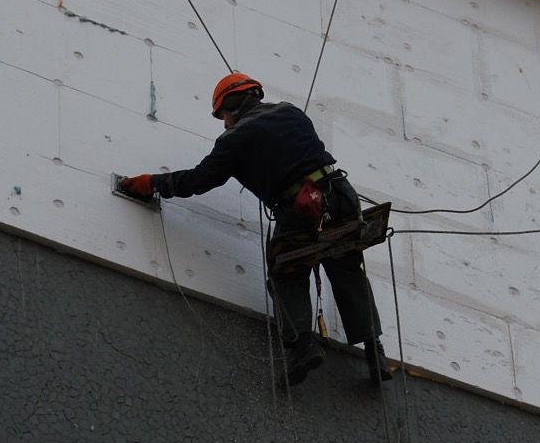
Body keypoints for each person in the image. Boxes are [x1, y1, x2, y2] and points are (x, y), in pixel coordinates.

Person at [118, 72, 391, 387]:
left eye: (223, 117)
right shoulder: (291, 112)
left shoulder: (234, 140)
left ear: (230, 110)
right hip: (341, 194)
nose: (224, 124)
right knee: (346, 264)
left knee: (286, 271)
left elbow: (197, 180)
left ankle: (303, 346)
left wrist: (152, 184)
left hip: (301, 207)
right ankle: (375, 352)